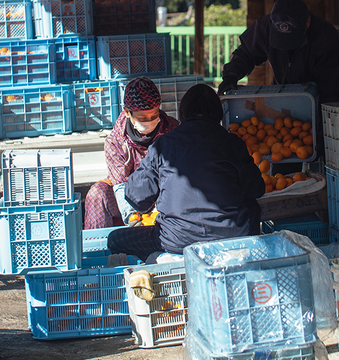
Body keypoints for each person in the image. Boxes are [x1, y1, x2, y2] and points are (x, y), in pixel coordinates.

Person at [107, 84, 265, 262]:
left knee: (115, 240)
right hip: (232, 238)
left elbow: (137, 199)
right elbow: (256, 189)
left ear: (183, 113)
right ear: (219, 114)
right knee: (252, 207)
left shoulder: (163, 145)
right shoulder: (233, 143)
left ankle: (160, 259)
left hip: (176, 241)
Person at [83, 77, 179, 229]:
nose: (149, 120)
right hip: (129, 198)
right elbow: (120, 185)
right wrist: (132, 218)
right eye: (142, 117)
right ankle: (99, 249)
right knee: (97, 194)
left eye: (154, 116)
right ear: (127, 112)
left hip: (167, 194)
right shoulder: (115, 141)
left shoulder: (173, 130)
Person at [217, 0, 339, 103]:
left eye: (292, 38)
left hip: (315, 100)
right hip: (281, 95)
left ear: (307, 22)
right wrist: (231, 75)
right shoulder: (265, 27)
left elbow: (333, 90)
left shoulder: (326, 39)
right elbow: (246, 53)